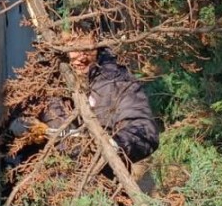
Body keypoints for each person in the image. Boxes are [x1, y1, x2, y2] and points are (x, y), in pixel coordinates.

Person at [29, 35, 160, 165]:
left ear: (97, 44)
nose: (81, 57)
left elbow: (144, 129)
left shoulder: (118, 81)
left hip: (98, 178)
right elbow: (19, 116)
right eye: (72, 47)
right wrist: (25, 128)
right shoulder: (42, 80)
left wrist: (114, 145)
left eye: (86, 48)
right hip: (49, 178)